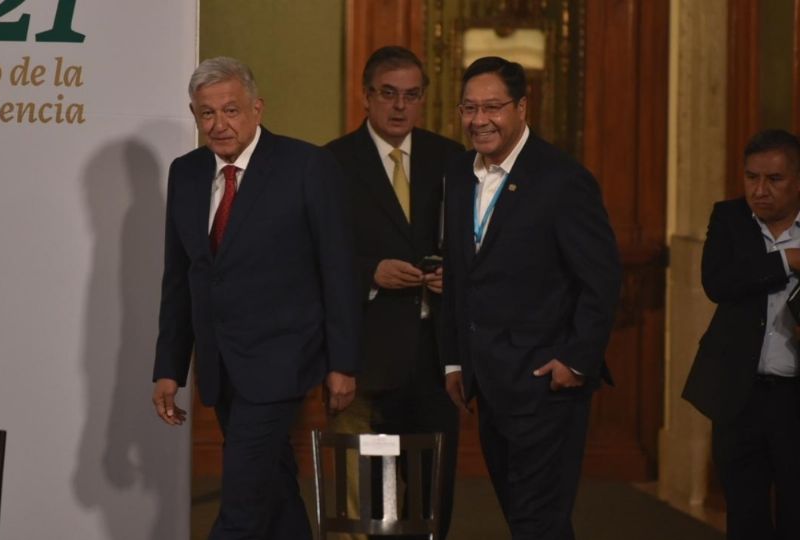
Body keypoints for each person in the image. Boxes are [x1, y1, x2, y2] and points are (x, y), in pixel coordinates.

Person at [151, 56, 360, 540]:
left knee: (242, 501)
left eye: (231, 110)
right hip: (221, 364)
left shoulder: (307, 166)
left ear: (257, 109)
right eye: (207, 113)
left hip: (283, 360)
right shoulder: (186, 173)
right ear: (194, 113)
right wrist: (169, 366)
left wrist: (343, 362)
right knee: (275, 487)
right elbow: (181, 278)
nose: (219, 124)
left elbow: (338, 270)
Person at [441, 56, 621, 539]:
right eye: (469, 108)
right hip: (488, 382)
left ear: (522, 107)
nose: (480, 120)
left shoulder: (562, 179)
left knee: (537, 520)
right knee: (526, 516)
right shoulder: (459, 176)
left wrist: (575, 362)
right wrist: (454, 361)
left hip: (547, 384)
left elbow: (601, 280)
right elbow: (461, 277)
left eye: (493, 107)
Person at [325, 45, 462, 539]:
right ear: (366, 96)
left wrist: (456, 275)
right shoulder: (333, 163)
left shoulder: (450, 158)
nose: (400, 107)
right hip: (367, 360)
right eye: (388, 94)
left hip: (436, 361)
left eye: (412, 95)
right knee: (369, 503)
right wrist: (371, 273)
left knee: (430, 498)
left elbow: (475, 244)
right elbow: (316, 256)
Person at [683, 129, 800, 540]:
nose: (760, 190)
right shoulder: (730, 218)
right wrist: (787, 259)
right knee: (745, 516)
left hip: (794, 398)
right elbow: (720, 281)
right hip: (740, 396)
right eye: (752, 178)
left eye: (774, 179)